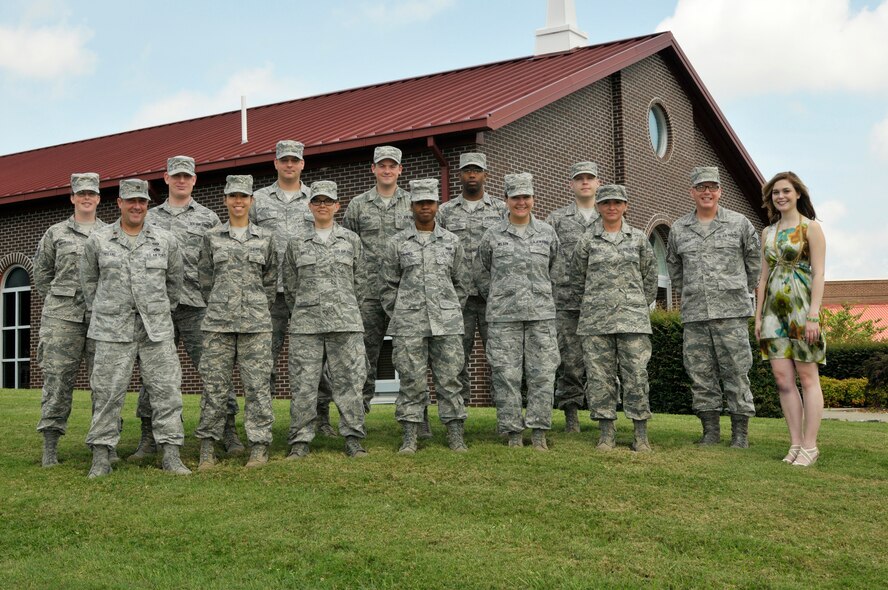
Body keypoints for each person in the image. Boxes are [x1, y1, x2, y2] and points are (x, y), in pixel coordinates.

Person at [131, 156, 242, 460]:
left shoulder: (208, 219)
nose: (181, 180)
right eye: (176, 176)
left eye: (187, 176)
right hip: (158, 309)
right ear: (166, 178)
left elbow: (220, 261)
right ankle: (149, 437)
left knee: (215, 370)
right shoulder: (149, 218)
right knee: (153, 374)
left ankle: (228, 430)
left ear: (194, 180)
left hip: (198, 306)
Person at [80, 179, 189, 478]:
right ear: (119, 203)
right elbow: (89, 285)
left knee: (167, 392)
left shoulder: (165, 240)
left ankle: (171, 454)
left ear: (147, 205)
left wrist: (157, 310)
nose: (137, 206)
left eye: (142, 201)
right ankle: (101, 456)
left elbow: (174, 285)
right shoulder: (99, 241)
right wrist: (109, 310)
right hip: (112, 331)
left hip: (156, 330)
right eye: (131, 201)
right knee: (107, 393)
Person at [666, 167, 761, 447]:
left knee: (737, 372)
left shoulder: (739, 223)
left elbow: (754, 264)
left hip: (731, 314)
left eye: (712, 187)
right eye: (701, 187)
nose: (706, 192)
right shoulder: (679, 229)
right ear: (692, 192)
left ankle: (740, 434)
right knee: (700, 373)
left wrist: (737, 290)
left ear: (720, 191)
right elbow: (675, 269)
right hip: (695, 314)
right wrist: (693, 291)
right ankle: (710, 432)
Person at [251, 140, 338, 437]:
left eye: (294, 160)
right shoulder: (258, 200)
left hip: (308, 292)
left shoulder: (317, 198)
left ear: (302, 164)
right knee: (264, 359)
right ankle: (263, 423)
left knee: (318, 360)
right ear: (276, 163)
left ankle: (321, 418)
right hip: (269, 294)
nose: (289, 164)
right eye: (284, 160)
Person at [382, 179, 469, 454]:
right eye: (419, 203)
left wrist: (449, 310)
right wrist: (402, 312)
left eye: (429, 202)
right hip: (409, 325)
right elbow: (387, 286)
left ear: (437, 205)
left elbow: (461, 283)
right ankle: (410, 436)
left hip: (447, 325)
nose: (425, 207)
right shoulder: (397, 243)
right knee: (411, 381)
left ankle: (455, 435)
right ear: (411, 206)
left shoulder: (452, 242)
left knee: (450, 380)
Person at [195, 175, 276, 470]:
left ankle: (259, 445)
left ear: (251, 200)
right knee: (214, 387)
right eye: (233, 196)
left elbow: (270, 281)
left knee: (257, 387)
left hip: (256, 325)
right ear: (225, 199)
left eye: (243, 196)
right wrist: (221, 304)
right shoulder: (211, 237)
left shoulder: (266, 238)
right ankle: (208, 446)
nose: (238, 201)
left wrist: (255, 307)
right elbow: (205, 279)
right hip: (218, 325)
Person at [283, 181, 368, 459]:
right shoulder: (296, 243)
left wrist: (345, 306)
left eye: (328, 201)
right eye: (317, 201)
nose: (322, 205)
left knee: (350, 383)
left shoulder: (351, 240)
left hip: (345, 323)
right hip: (306, 325)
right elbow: (291, 286)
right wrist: (304, 310)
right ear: (309, 206)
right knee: (303, 385)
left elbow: (361, 283)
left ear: (337, 206)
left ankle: (353, 437)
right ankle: (300, 440)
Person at [476, 172, 560, 450]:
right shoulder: (492, 235)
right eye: (515, 197)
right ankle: (512, 432)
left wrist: (540, 296)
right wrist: (500, 296)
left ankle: (538, 432)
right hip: (504, 318)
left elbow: (555, 271)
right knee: (506, 376)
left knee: (542, 375)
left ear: (533, 198)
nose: (521, 202)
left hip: (540, 317)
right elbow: (481, 272)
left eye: (526, 197)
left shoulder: (547, 233)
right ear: (506, 200)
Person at [570, 185, 658, 451]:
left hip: (633, 321)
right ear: (598, 206)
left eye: (617, 203)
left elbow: (650, 279)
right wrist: (596, 303)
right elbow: (577, 279)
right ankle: (606, 432)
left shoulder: (639, 239)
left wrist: (633, 305)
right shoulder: (587, 240)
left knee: (637, 376)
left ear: (625, 206)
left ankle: (640, 434)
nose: (612, 207)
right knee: (599, 378)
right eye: (606, 203)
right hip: (596, 322)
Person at [33, 173, 107, 467]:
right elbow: (41, 275)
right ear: (73, 197)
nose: (87, 198)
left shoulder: (109, 233)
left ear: (98, 198)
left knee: (104, 382)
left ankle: (103, 443)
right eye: (81, 193)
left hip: (101, 318)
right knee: (57, 381)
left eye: (91, 193)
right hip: (62, 319)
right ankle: (50, 445)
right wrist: (61, 299)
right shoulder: (55, 233)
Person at [754, 172, 826, 466]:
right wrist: (758, 317)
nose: (780, 196)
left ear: (798, 194)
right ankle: (795, 443)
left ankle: (810, 446)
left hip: (802, 310)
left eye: (786, 191)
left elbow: (819, 274)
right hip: (773, 313)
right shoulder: (767, 233)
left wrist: (813, 315)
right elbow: (763, 277)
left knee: (808, 377)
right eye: (775, 193)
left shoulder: (811, 228)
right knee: (783, 379)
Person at [342, 146, 417, 415]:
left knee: (411, 356)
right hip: (368, 294)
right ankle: (358, 415)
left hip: (404, 293)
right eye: (382, 165)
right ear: (373, 169)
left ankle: (414, 415)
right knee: (363, 355)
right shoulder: (358, 205)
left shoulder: (413, 203)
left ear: (400, 170)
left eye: (392, 166)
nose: (387, 170)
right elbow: (347, 247)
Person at [436, 153, 507, 405]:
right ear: (460, 175)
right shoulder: (445, 212)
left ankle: (504, 414)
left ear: (486, 174)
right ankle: (458, 412)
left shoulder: (501, 209)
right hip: (458, 299)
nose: (472, 175)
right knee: (455, 359)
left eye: (477, 170)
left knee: (500, 358)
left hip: (493, 297)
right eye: (467, 171)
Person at [546, 161, 601, 433]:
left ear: (598, 183)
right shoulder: (556, 220)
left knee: (602, 362)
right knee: (570, 362)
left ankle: (604, 415)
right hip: (566, 303)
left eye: (590, 178)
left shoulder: (610, 216)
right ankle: (571, 415)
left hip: (602, 303)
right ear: (571, 184)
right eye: (579, 178)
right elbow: (546, 259)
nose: (585, 182)